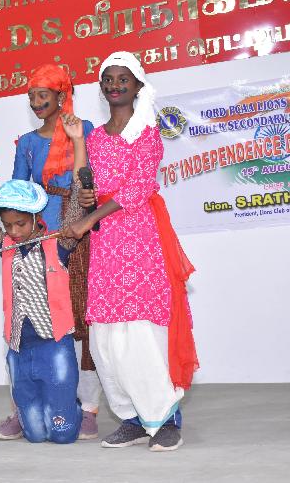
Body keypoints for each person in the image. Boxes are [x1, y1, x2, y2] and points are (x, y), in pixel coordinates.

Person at [63, 51, 198, 452]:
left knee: (142, 331)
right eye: (108, 79)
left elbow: (137, 188)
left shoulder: (148, 131)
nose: (115, 85)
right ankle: (132, 418)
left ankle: (166, 417)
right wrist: (85, 197)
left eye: (123, 79)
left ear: (138, 85)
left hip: (140, 237)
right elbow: (89, 185)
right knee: (106, 335)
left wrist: (88, 219)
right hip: (106, 242)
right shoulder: (96, 136)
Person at [0, 64, 101, 440]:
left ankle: (87, 408)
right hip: (39, 245)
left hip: (81, 235)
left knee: (83, 327)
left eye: (44, 95)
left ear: (62, 96)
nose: (37, 102)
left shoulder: (85, 131)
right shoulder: (26, 143)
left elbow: (94, 180)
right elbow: (16, 194)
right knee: (33, 327)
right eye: (32, 96)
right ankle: (25, 409)